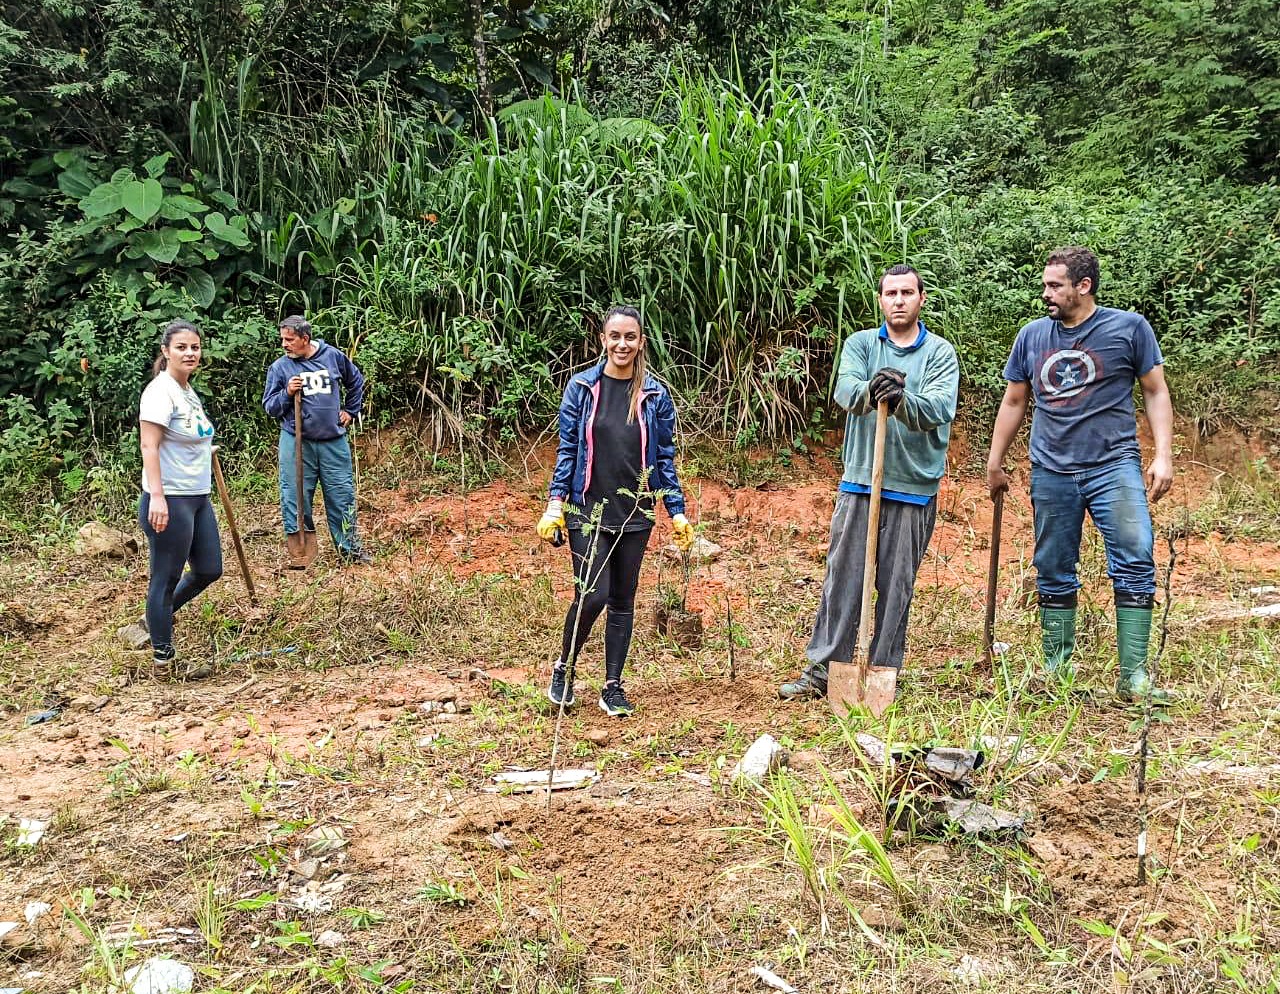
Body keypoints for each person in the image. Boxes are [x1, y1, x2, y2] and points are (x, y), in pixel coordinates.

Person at [985, 246, 1175, 703]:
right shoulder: (1032, 336)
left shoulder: (1128, 329)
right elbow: (1014, 401)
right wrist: (995, 461)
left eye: (1055, 285)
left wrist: (1163, 454)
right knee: (1052, 566)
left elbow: (1155, 391)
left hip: (1114, 466)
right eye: (1047, 284)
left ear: (1083, 286)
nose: (1046, 293)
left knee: (1134, 558)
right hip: (1051, 469)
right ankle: (1057, 670)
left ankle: (1133, 677)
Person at [779, 264, 959, 701]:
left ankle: (883, 672)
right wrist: (874, 392)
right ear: (880, 300)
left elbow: (939, 407)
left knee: (896, 586)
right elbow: (846, 391)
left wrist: (902, 400)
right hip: (860, 482)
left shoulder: (939, 353)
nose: (899, 300)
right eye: (891, 293)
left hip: (913, 488)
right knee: (843, 578)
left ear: (921, 299)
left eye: (907, 292)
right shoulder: (861, 344)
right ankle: (824, 670)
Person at [536, 305, 695, 717]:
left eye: (630, 337)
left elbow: (663, 458)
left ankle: (613, 686)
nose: (622, 344)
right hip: (587, 508)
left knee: (623, 598)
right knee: (594, 594)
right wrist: (555, 505)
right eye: (614, 336)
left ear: (641, 342)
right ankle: (564, 669)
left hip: (636, 512)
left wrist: (675, 510)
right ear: (603, 340)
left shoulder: (655, 395)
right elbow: (568, 451)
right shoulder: (582, 388)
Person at [137, 320, 222, 679]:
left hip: (197, 496)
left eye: (195, 347)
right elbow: (149, 445)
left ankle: (153, 619)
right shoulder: (160, 392)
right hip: (170, 499)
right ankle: (163, 660)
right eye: (182, 347)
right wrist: (157, 496)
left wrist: (206, 449)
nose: (190, 353)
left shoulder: (186, 391)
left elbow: (189, 435)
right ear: (166, 352)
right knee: (165, 578)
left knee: (208, 569)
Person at [262, 315, 370, 565]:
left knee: (341, 494)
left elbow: (356, 381)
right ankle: (302, 553)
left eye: (289, 340)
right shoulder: (281, 367)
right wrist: (287, 393)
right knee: (296, 495)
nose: (284, 345)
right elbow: (270, 406)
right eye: (282, 340)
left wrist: (351, 411)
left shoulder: (332, 356)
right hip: (296, 441)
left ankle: (350, 551)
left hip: (333, 440)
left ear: (305, 339)